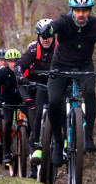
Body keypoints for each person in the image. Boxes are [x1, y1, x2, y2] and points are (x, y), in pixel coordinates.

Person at [40, 0, 96, 167]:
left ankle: (88, 138)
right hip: (60, 65)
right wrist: (47, 30)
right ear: (71, 10)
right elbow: (53, 26)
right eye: (77, 10)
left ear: (90, 11)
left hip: (84, 66)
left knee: (90, 92)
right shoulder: (64, 21)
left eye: (85, 10)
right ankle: (57, 142)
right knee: (54, 101)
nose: (81, 14)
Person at [14, 18, 57, 179]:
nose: (46, 39)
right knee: (36, 117)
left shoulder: (62, 48)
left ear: (54, 36)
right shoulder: (33, 49)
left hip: (57, 86)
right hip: (39, 86)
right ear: (38, 36)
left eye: (49, 36)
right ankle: (33, 165)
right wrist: (20, 76)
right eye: (42, 36)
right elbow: (20, 65)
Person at [0, 49, 23, 165]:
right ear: (7, 62)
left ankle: (29, 146)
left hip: (22, 102)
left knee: (32, 121)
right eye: (11, 61)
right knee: (7, 123)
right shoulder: (3, 72)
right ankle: (7, 152)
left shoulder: (24, 71)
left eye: (16, 61)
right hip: (7, 102)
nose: (14, 64)